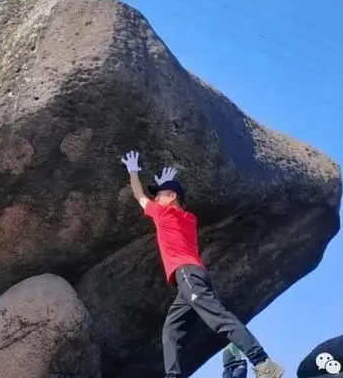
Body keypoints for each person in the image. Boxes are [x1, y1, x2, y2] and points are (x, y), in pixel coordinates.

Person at [119, 150, 284, 378]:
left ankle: (263, 362)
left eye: (160, 195)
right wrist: (165, 185)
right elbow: (164, 200)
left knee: (217, 317)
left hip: (186, 273)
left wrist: (133, 171)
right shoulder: (188, 218)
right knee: (171, 330)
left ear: (172, 197)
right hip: (190, 277)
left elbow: (139, 196)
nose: (156, 198)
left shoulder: (164, 214)